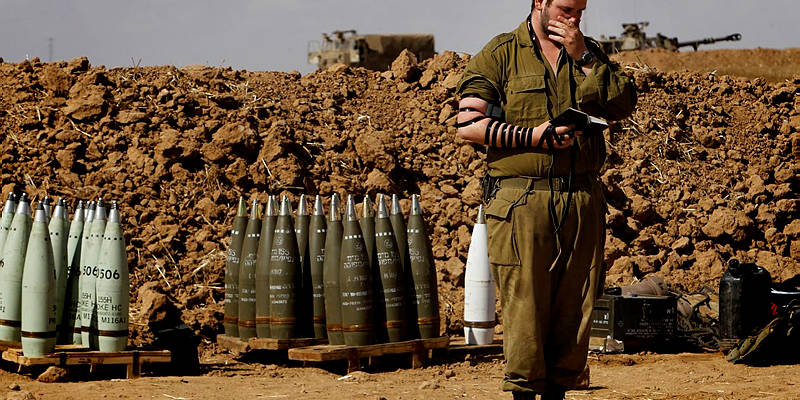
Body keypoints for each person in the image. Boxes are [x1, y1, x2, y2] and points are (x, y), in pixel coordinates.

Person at [455, 1, 637, 399]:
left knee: (576, 305)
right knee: (525, 307)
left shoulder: (588, 53)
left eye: (581, 11)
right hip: (522, 199)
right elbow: (468, 125)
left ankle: (560, 391)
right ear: (540, 2)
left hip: (581, 197)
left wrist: (584, 57)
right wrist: (532, 138)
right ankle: (524, 391)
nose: (574, 18)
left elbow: (623, 104)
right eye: (566, 9)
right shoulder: (501, 53)